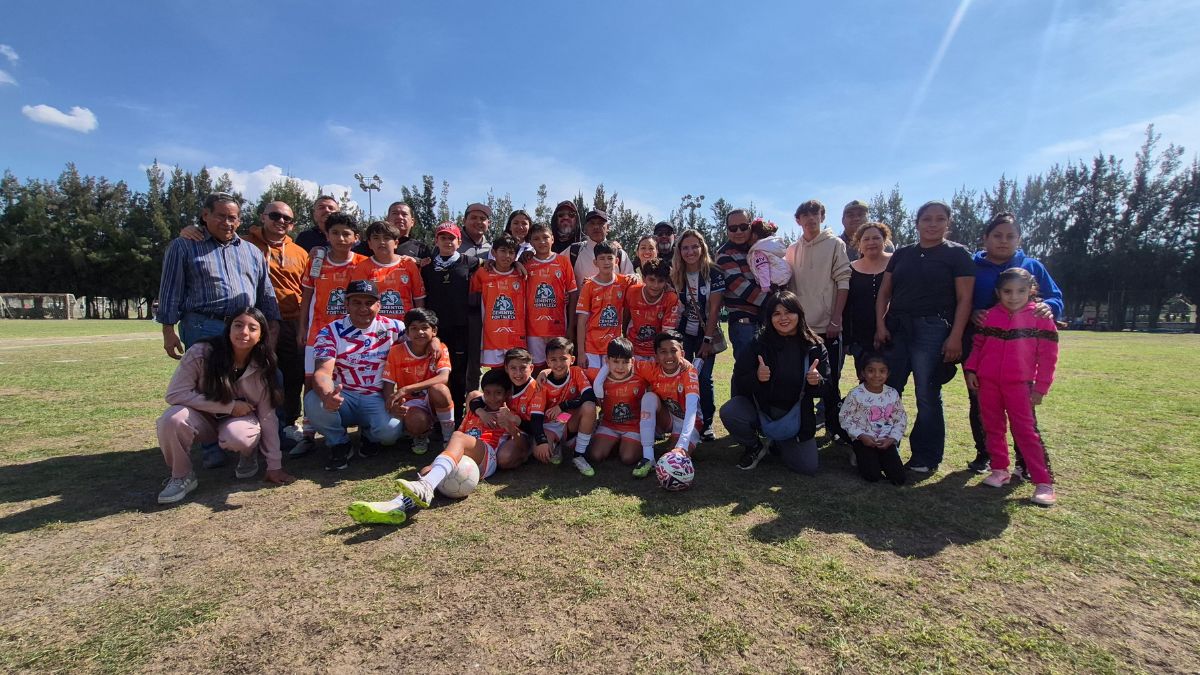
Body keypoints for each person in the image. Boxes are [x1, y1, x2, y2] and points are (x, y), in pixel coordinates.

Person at [874, 200, 975, 474]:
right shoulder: (903, 253)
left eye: (939, 219)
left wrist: (955, 336)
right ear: (916, 223)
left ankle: (925, 456)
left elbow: (965, 299)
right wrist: (880, 325)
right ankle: (884, 448)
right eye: (926, 219)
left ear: (947, 223)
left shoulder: (957, 255)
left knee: (927, 393)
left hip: (934, 328)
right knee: (889, 390)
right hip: (897, 327)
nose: (932, 224)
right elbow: (885, 292)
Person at [155, 307, 295, 504]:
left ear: (261, 335)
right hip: (202, 417)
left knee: (240, 437)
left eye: (252, 328)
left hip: (239, 420)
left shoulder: (264, 364)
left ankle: (248, 454)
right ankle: (181, 475)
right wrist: (228, 406)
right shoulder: (201, 352)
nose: (244, 332)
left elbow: (267, 416)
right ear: (228, 329)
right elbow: (175, 393)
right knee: (171, 419)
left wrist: (274, 465)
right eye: (238, 325)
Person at [964, 212, 1064, 473]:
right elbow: (960, 298)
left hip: (1022, 353)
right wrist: (974, 311)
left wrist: (1048, 307)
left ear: (1019, 239)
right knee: (981, 404)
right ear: (985, 238)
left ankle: (1026, 462)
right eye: (997, 235)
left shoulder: (1032, 266)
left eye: (1010, 236)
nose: (1003, 241)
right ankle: (987, 456)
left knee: (1023, 410)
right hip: (983, 346)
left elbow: (1055, 297)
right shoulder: (972, 267)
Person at [355, 368, 512, 523]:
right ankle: (394, 506)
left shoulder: (508, 412)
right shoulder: (477, 405)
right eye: (488, 393)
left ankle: (426, 487)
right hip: (462, 452)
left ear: (507, 394)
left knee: (458, 437)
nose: (492, 398)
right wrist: (481, 411)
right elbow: (473, 396)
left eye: (498, 393)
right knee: (427, 471)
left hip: (486, 455)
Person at [964, 268, 1059, 506]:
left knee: (1025, 432)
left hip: (1020, 386)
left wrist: (1041, 388)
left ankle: (1043, 481)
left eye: (1020, 291)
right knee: (993, 427)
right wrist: (972, 370)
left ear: (1031, 291)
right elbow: (978, 346)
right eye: (1007, 291)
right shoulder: (989, 316)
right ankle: (999, 470)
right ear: (998, 292)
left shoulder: (1041, 318)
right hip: (988, 383)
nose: (1013, 297)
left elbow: (1048, 357)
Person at [157, 192, 282, 358]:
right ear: (205, 215)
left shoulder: (252, 252)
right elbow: (171, 290)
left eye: (232, 218)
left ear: (239, 221)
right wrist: (168, 331)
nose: (227, 223)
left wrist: (271, 329)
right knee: (207, 380)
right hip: (202, 327)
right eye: (221, 216)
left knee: (245, 380)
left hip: (243, 330)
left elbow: (265, 294)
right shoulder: (183, 246)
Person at [720, 291, 829, 473]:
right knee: (731, 411)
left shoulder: (814, 347)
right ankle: (754, 445)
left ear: (799, 314)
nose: (783, 318)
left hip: (796, 415)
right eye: (776, 314)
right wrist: (756, 377)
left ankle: (779, 441)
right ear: (769, 317)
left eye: (788, 312)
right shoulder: (758, 343)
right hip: (764, 410)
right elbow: (739, 380)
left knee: (807, 467)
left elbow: (828, 389)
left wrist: (816, 382)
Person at [305, 279, 405, 471]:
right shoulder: (330, 332)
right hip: (344, 395)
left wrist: (434, 342)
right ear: (346, 304)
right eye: (357, 302)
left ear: (379, 305)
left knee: (390, 432)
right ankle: (339, 443)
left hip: (376, 396)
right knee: (313, 402)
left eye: (369, 303)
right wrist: (328, 395)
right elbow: (322, 372)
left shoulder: (395, 328)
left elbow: (422, 338)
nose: (363, 308)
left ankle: (370, 435)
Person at [293, 213, 365, 457]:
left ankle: (363, 429)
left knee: (356, 377)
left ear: (356, 238)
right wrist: (302, 327)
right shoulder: (317, 262)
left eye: (347, 233)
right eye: (335, 233)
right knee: (311, 381)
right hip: (320, 332)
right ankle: (308, 434)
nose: (341, 238)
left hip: (352, 333)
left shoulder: (364, 263)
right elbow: (307, 297)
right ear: (326, 235)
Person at [786, 199, 852, 442]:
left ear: (822, 217)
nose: (811, 218)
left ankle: (835, 428)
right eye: (805, 215)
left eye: (816, 214)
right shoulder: (792, 249)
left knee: (830, 381)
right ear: (798, 220)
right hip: (799, 329)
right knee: (798, 379)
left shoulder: (835, 244)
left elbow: (843, 281)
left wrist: (836, 319)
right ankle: (800, 429)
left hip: (827, 328)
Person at [244, 202, 309, 436]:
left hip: (291, 322)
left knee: (293, 375)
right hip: (257, 323)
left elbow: (306, 290)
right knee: (259, 372)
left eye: (287, 219)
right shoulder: (245, 245)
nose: (281, 221)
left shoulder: (299, 252)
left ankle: (290, 423)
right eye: (275, 216)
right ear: (263, 217)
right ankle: (255, 421)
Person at [670, 229, 725, 442]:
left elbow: (714, 310)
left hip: (705, 335)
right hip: (684, 336)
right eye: (685, 247)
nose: (690, 251)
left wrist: (708, 340)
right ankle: (685, 420)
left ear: (702, 247)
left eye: (694, 246)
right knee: (683, 377)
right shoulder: (676, 274)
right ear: (679, 251)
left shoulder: (714, 273)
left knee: (703, 378)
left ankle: (707, 423)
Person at [421, 223, 480, 418]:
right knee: (436, 371)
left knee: (458, 372)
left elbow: (494, 265)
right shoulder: (426, 266)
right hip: (436, 330)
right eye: (443, 238)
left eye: (451, 238)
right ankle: (438, 415)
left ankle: (458, 416)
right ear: (436, 241)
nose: (447, 242)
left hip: (461, 328)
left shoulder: (470, 262)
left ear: (459, 241)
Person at [381, 308, 455, 456]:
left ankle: (448, 437)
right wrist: (393, 404)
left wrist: (406, 388)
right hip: (411, 402)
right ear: (407, 333)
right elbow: (388, 385)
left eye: (424, 327)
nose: (419, 332)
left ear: (434, 331)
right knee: (416, 421)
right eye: (414, 328)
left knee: (439, 389)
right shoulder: (396, 352)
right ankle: (420, 435)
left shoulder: (440, 348)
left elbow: (443, 378)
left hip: (432, 399)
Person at [465, 348, 549, 469]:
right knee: (473, 395)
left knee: (504, 459)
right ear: (506, 368)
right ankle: (473, 434)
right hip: (506, 428)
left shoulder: (537, 389)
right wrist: (482, 413)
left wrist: (515, 419)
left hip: (528, 433)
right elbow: (476, 401)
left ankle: (525, 453)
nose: (518, 373)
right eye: (513, 368)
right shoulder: (507, 382)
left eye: (523, 368)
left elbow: (537, 426)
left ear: (531, 368)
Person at [838, 352, 907, 485]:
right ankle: (859, 455)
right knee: (872, 476)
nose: (876, 375)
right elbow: (845, 417)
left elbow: (900, 418)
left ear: (888, 373)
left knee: (899, 478)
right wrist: (861, 436)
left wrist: (892, 438)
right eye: (871, 371)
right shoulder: (856, 394)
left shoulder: (892, 393)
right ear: (863, 373)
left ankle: (882, 458)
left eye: (882, 371)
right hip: (864, 440)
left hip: (886, 441)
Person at [583, 337, 647, 476]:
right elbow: (573, 373)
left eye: (625, 362)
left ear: (633, 361)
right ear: (607, 361)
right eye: (616, 361)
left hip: (633, 426)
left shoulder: (641, 378)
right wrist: (544, 373)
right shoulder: (599, 380)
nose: (620, 367)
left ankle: (629, 443)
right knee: (595, 455)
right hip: (609, 425)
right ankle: (615, 442)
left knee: (628, 458)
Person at [716, 209, 769, 360]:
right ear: (727, 230)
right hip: (744, 324)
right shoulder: (724, 255)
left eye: (743, 227)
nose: (738, 231)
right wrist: (776, 303)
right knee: (746, 372)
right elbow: (742, 288)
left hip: (764, 319)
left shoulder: (757, 250)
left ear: (751, 226)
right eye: (733, 228)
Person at [537, 337, 597, 468]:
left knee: (589, 406)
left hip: (567, 420)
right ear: (547, 362)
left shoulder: (576, 372)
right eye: (553, 360)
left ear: (572, 360)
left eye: (563, 359)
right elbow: (536, 416)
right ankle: (556, 444)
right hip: (549, 425)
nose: (558, 364)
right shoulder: (542, 381)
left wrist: (562, 406)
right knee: (541, 454)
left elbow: (589, 396)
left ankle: (578, 455)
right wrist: (541, 441)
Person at [576, 242, 633, 378]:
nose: (606, 262)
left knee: (611, 382)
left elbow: (646, 289)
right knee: (593, 381)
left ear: (616, 261)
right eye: (602, 258)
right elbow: (581, 321)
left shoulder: (625, 282)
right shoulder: (588, 286)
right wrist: (581, 352)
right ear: (595, 262)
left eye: (610, 258)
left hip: (614, 346)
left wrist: (637, 277)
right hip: (592, 347)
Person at [524, 223, 577, 368]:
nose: (541, 242)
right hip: (533, 328)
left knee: (558, 367)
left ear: (552, 239)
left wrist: (571, 326)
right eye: (536, 238)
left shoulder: (563, 261)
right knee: (535, 368)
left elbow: (573, 294)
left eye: (545, 237)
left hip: (557, 325)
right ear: (530, 242)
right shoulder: (526, 263)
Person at [843, 222, 894, 375]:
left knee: (891, 378)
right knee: (866, 376)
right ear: (858, 244)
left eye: (876, 238)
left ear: (884, 241)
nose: (871, 242)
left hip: (893, 331)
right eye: (866, 239)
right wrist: (847, 339)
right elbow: (847, 305)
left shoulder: (896, 263)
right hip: (861, 335)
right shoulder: (850, 269)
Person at [470, 234, 527, 369]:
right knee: (497, 377)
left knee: (517, 374)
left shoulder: (522, 274)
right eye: (503, 251)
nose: (507, 255)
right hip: (492, 337)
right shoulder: (482, 273)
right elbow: (473, 301)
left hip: (516, 336)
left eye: (511, 252)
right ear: (494, 252)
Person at [351, 220, 426, 322]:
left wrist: (418, 321)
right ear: (370, 244)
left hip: (405, 326)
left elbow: (418, 297)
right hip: (374, 326)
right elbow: (357, 300)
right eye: (376, 238)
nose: (381, 242)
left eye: (386, 238)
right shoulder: (363, 267)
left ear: (395, 243)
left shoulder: (408, 264)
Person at [459, 202, 493, 397]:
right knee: (456, 363)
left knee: (474, 362)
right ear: (464, 220)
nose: (478, 222)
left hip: (479, 311)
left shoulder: (492, 247)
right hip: (455, 310)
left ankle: (471, 404)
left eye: (483, 219)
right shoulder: (453, 241)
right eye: (474, 217)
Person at [625, 258, 683, 360]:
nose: (655, 285)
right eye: (651, 280)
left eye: (660, 281)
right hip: (632, 349)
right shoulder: (632, 291)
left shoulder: (670, 298)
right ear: (643, 278)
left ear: (666, 281)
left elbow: (667, 333)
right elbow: (625, 317)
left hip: (656, 352)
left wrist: (660, 355)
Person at [569, 209, 635, 289]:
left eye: (600, 223)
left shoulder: (619, 253)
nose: (596, 227)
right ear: (585, 228)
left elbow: (632, 282)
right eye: (592, 223)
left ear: (608, 227)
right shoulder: (574, 251)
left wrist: (636, 277)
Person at [355, 201, 432, 259]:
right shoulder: (367, 245)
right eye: (395, 213)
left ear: (412, 222)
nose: (400, 217)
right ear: (387, 219)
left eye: (404, 214)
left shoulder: (421, 249)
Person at [748, 218, 791, 290]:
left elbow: (763, 268)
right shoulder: (770, 248)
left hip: (774, 283)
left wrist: (765, 287)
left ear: (754, 236)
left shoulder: (758, 251)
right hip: (784, 279)